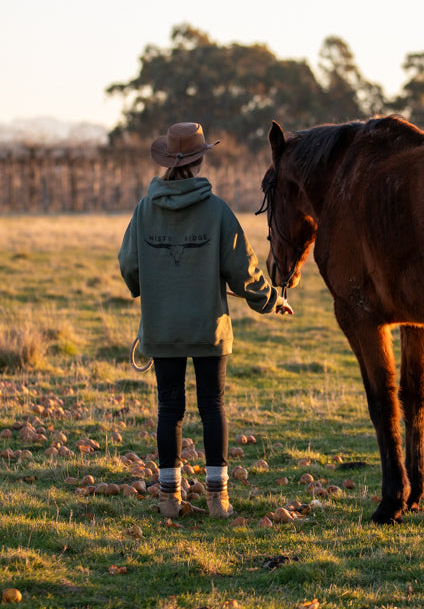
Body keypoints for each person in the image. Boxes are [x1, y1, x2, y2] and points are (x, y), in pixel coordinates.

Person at [118, 121, 294, 519]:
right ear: (199, 161)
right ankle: (218, 500)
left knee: (169, 409)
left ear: (166, 161)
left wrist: (150, 286)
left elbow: (129, 265)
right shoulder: (216, 211)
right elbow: (244, 270)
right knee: (212, 406)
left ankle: (169, 499)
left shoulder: (144, 210)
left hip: (162, 330)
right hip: (209, 330)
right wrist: (271, 302)